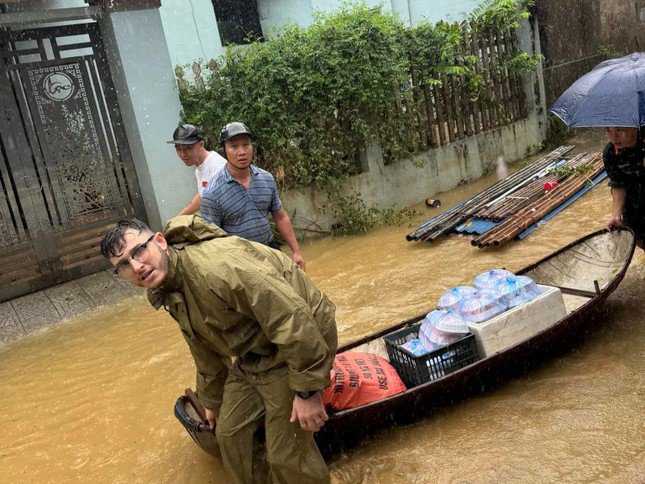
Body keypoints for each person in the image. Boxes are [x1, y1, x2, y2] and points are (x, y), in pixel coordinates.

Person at [100, 215, 337, 483]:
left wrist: (307, 391)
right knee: (230, 436)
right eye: (123, 265)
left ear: (160, 241)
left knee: (286, 454)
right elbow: (202, 345)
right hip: (255, 353)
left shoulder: (216, 268)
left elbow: (292, 317)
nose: (137, 265)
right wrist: (212, 401)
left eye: (139, 251)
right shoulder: (167, 285)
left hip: (300, 341)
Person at [200, 122, 306, 270]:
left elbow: (280, 216)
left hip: (271, 251)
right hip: (241, 264)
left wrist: (296, 252)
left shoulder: (266, 179)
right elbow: (211, 242)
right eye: (234, 146)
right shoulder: (212, 193)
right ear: (223, 151)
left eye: (246, 144)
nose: (242, 152)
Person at [168, 124, 227, 216]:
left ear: (201, 145)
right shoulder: (199, 169)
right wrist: (178, 218)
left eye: (188, 148)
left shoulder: (217, 167)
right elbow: (202, 196)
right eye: (179, 149)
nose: (183, 154)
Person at [602, 126, 645, 250]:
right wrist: (616, 215)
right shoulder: (610, 153)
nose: (614, 137)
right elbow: (618, 184)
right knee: (639, 239)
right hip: (633, 205)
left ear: (635, 128)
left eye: (619, 130)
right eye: (608, 130)